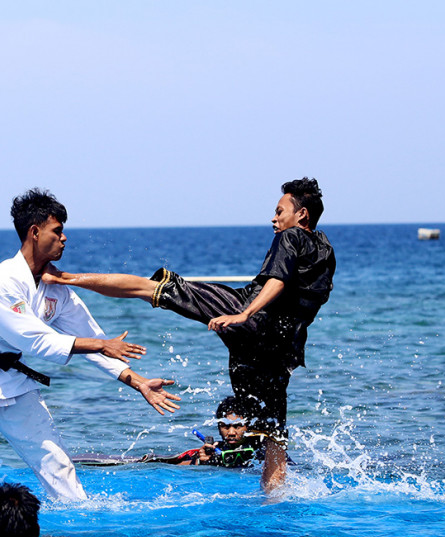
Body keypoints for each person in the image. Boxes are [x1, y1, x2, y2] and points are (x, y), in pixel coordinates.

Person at [43, 178, 335, 491]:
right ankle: (274, 504)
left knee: (154, 289)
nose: (273, 219)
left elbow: (277, 281)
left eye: (279, 211)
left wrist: (244, 314)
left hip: (250, 319)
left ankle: (65, 278)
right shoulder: (326, 249)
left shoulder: (290, 236)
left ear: (302, 215)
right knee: (273, 434)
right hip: (280, 349)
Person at [0, 188, 180, 502]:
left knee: (56, 462)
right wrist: (99, 345)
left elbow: (93, 337)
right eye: (57, 230)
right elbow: (33, 339)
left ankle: (79, 516)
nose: (64, 238)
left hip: (12, 377)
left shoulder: (57, 289)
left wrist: (138, 381)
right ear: (35, 232)